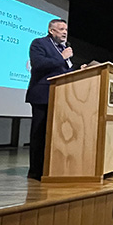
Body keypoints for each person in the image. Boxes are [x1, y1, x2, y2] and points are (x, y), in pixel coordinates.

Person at [26, 18, 78, 180]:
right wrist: (62, 57)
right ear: (51, 30)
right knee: (39, 134)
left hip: (61, 96)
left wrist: (78, 70)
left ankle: (52, 167)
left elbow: (62, 71)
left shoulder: (63, 48)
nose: (64, 32)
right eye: (61, 29)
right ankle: (35, 170)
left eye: (66, 30)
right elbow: (38, 64)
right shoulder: (39, 43)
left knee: (57, 135)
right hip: (42, 95)